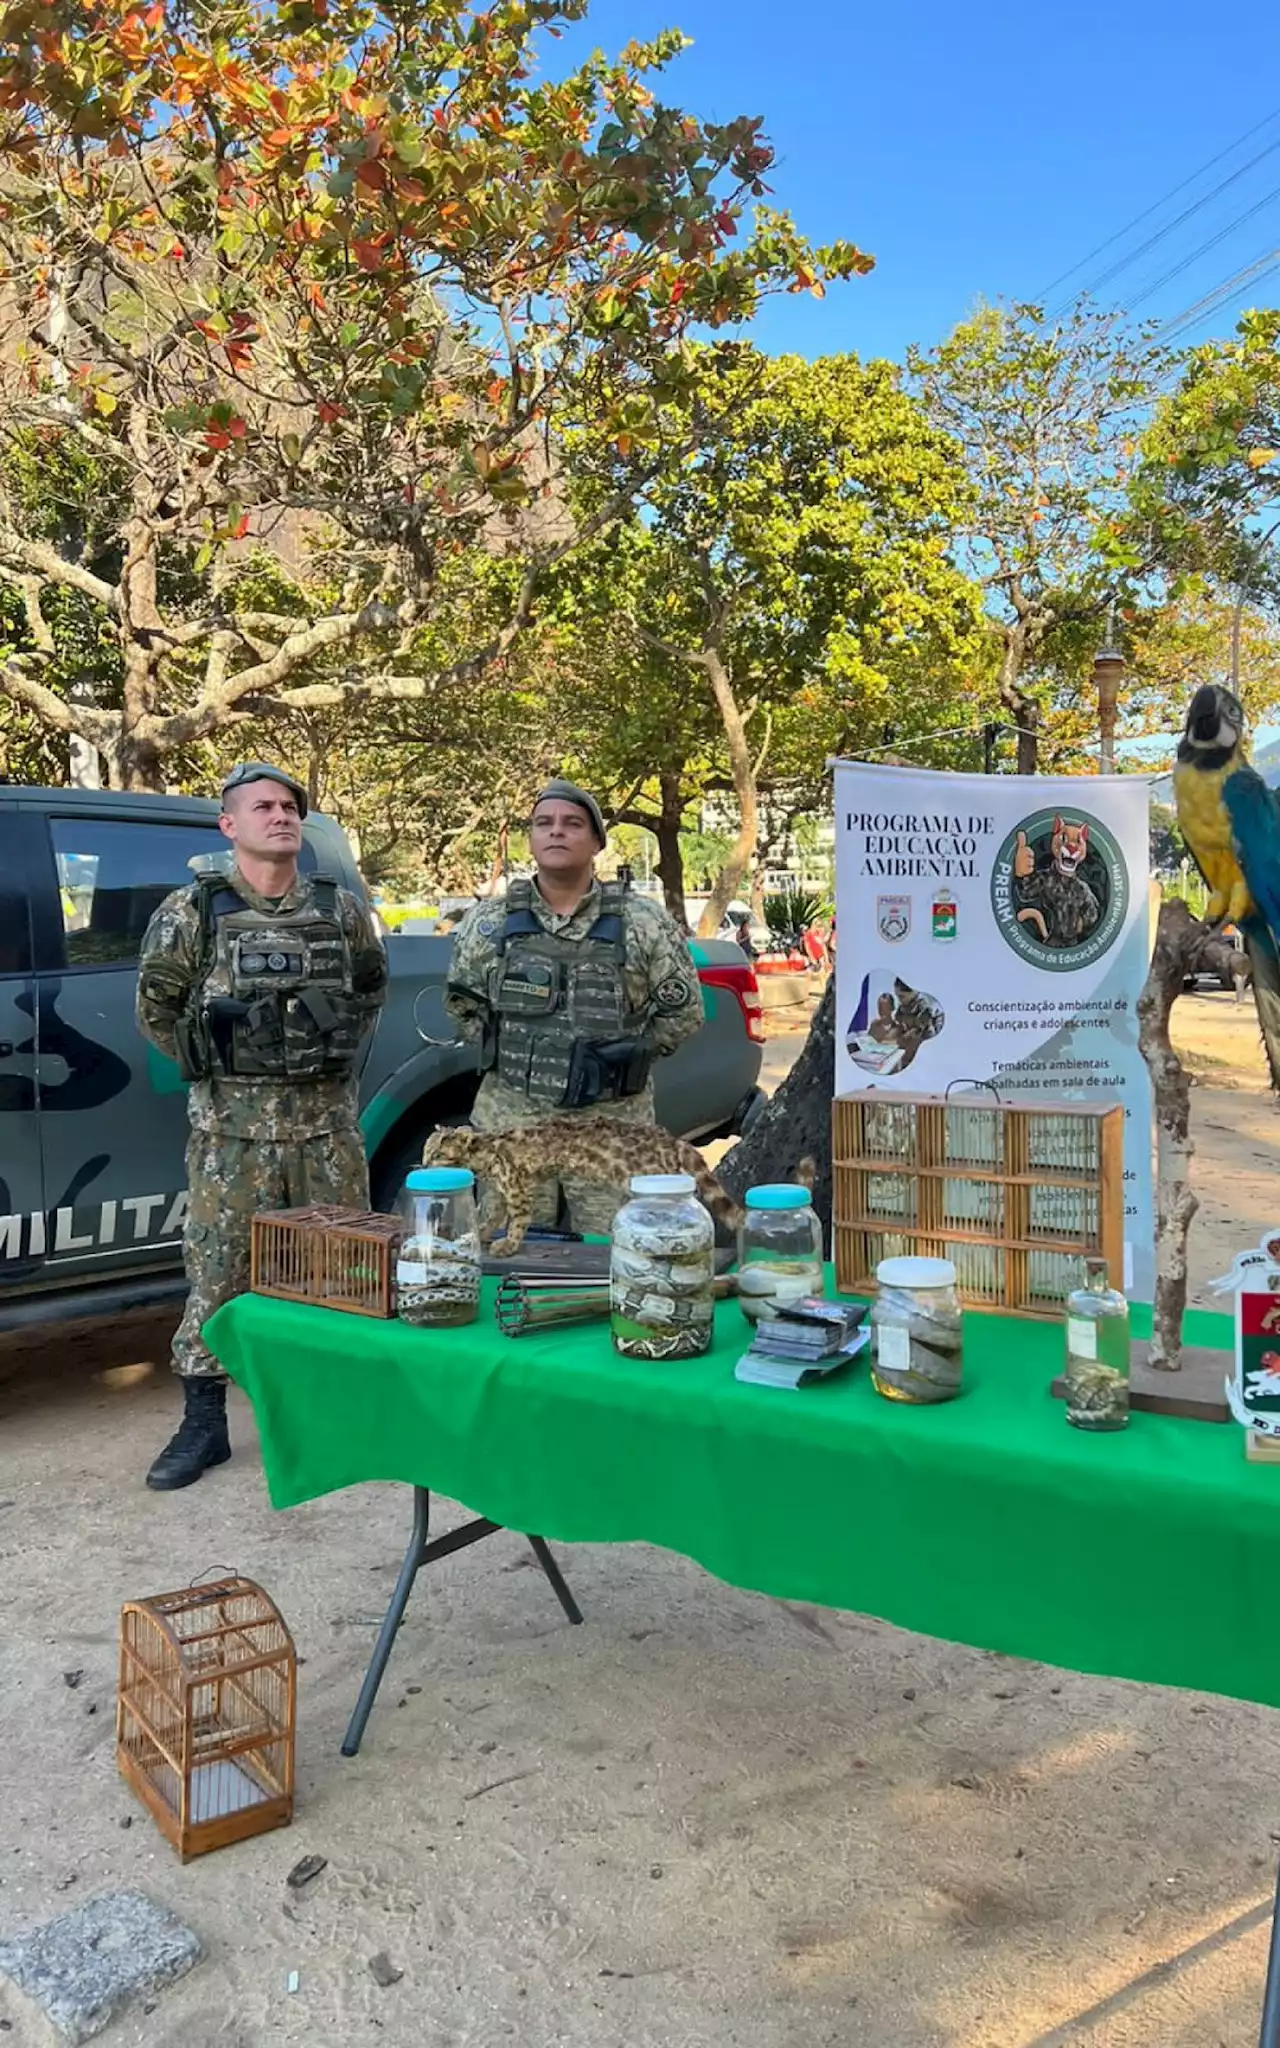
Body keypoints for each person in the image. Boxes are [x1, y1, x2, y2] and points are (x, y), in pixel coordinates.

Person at [135, 763, 388, 1490]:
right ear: (229, 825)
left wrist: (324, 1050)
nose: (280, 817)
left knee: (343, 1269)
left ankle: (339, 1416)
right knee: (218, 1274)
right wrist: (214, 1051)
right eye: (263, 807)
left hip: (325, 1131)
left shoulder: (338, 910)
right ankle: (204, 1425)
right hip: (231, 1137)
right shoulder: (193, 911)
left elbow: (369, 986)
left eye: (290, 807)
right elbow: (156, 1009)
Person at [444, 779, 703, 1232]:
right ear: (531, 838)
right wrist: (517, 1056)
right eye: (544, 824)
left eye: (572, 824)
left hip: (610, 1131)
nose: (556, 832)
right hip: (512, 1124)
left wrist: (624, 1061)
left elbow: (683, 1013)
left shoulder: (642, 923)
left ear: (596, 842)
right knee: (509, 1250)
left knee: (618, 1253)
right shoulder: (489, 924)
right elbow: (464, 1006)